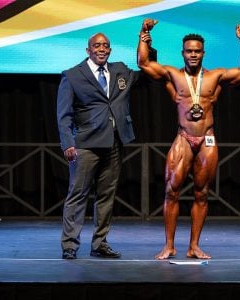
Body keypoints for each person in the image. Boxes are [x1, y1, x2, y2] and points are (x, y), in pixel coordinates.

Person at [137, 19, 240, 260]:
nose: (193, 54)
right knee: (171, 191)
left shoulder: (215, 77)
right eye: (189, 51)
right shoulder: (172, 75)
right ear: (182, 53)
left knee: (202, 193)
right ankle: (169, 245)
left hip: (207, 139)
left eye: (197, 51)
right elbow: (144, 63)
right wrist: (144, 34)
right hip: (183, 138)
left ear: (203, 53)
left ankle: (194, 246)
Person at [57, 32, 151, 259]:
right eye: (97, 45)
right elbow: (64, 115)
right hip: (86, 145)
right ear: (88, 50)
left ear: (109, 50)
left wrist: (147, 43)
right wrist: (68, 143)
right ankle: (70, 244)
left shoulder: (120, 70)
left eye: (106, 46)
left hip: (114, 143)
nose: (101, 49)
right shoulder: (72, 75)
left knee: (106, 196)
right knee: (78, 194)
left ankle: (99, 243)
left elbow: (147, 74)